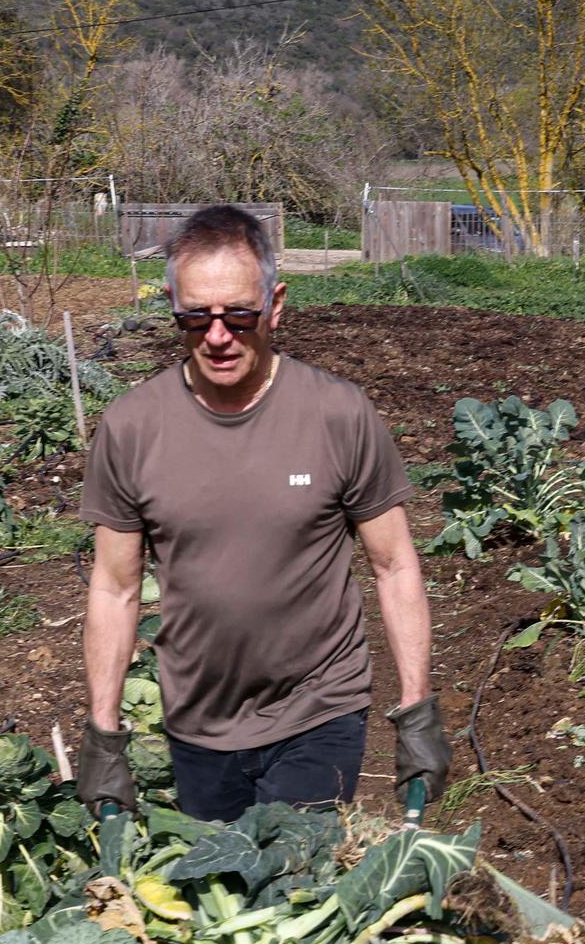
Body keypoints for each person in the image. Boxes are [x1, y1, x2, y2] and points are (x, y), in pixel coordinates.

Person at [74, 204, 451, 822]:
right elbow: (115, 588)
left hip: (319, 710)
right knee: (217, 900)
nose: (217, 336)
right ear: (173, 308)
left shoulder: (336, 415)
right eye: (195, 317)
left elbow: (394, 564)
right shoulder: (133, 427)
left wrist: (417, 710)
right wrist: (102, 732)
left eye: (238, 315)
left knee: (291, 892)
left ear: (274, 305)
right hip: (197, 719)